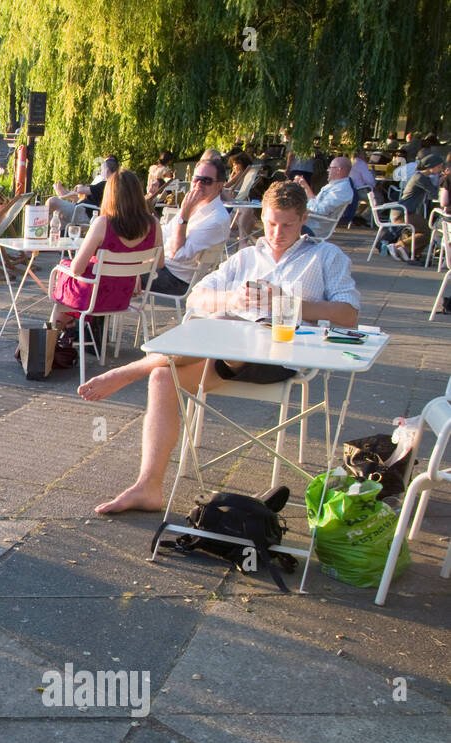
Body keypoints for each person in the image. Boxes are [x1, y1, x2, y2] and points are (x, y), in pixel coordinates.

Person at [77, 181, 359, 514]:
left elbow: (349, 315)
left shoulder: (324, 257)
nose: (277, 233)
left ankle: (131, 370)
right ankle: (148, 487)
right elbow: (196, 296)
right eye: (270, 223)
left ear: (304, 219)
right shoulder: (246, 258)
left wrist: (290, 304)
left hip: (283, 355)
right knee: (164, 377)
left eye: (287, 225)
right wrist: (231, 298)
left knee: (220, 328)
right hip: (226, 355)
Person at [51, 169, 160, 328]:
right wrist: (134, 272)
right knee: (73, 273)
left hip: (95, 297)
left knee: (64, 269)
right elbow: (159, 263)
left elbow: (77, 269)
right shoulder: (154, 225)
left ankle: (58, 334)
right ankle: (70, 329)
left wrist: (64, 265)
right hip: (124, 296)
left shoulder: (103, 223)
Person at [147, 158, 231, 295]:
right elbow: (165, 233)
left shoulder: (217, 219)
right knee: (111, 265)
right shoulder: (195, 205)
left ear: (219, 186)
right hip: (161, 265)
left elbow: (177, 255)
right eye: (196, 179)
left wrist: (184, 215)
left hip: (177, 280)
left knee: (114, 275)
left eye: (206, 181)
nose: (199, 185)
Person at [390, 153, 445, 259]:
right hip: (403, 212)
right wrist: (443, 181)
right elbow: (434, 194)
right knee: (428, 231)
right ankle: (399, 246)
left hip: (405, 211)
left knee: (426, 231)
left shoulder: (421, 177)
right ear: (430, 167)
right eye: (439, 167)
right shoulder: (420, 178)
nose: (440, 169)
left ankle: (411, 253)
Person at [47, 156, 119, 226]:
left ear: (106, 170)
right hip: (82, 210)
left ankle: (40, 225)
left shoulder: (105, 184)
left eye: (101, 170)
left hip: (84, 213)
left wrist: (80, 187)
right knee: (57, 216)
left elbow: (81, 190)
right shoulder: (111, 185)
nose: (100, 173)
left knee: (51, 201)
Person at [296, 155, 354, 225]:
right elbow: (316, 204)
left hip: (313, 225)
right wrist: (305, 186)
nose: (328, 170)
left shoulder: (342, 189)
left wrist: (298, 211)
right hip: (308, 221)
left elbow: (320, 211)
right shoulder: (333, 186)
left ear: (339, 170)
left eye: (331, 167)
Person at [342, 149, 377, 226]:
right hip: (360, 190)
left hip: (350, 190)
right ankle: (363, 218)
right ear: (360, 154)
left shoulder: (350, 162)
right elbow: (370, 181)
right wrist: (374, 181)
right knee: (378, 199)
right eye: (364, 153)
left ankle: (357, 216)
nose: (366, 155)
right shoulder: (361, 164)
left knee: (365, 202)